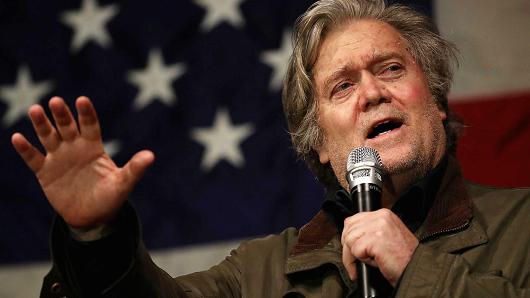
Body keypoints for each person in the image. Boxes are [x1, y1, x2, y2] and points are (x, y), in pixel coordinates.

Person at [11, 0, 529, 297]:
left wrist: (417, 270)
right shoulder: (262, 274)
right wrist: (96, 237)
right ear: (321, 145)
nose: (373, 92)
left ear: (436, 101)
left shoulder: (523, 224)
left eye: (391, 68)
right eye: (342, 87)